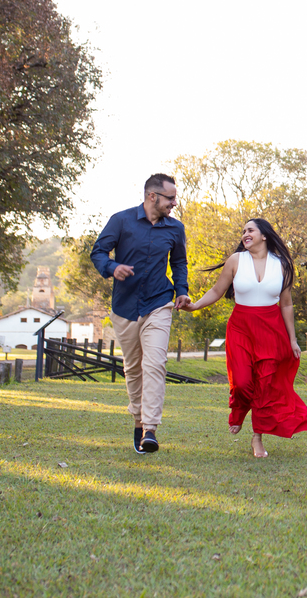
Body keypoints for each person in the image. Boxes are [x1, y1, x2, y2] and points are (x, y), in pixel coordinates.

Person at [182, 218, 307, 457]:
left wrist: (292, 339)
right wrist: (195, 306)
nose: (245, 234)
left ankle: (257, 437)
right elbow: (217, 290)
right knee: (242, 382)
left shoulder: (282, 264)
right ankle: (239, 410)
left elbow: (286, 304)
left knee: (264, 385)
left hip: (271, 330)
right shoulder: (236, 260)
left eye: (250, 230)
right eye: (243, 231)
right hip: (241, 328)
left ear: (264, 235)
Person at [90, 173, 191, 454]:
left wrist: (181, 290)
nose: (174, 203)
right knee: (133, 368)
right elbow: (98, 252)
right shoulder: (121, 221)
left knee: (155, 363)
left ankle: (150, 429)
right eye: (170, 198)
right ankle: (138, 419)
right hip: (125, 308)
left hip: (159, 302)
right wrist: (113, 268)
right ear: (152, 196)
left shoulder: (175, 228)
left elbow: (179, 262)